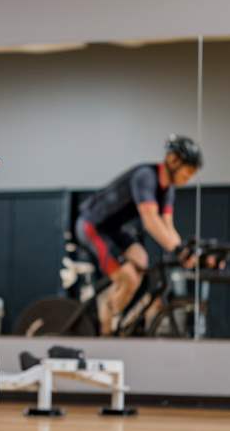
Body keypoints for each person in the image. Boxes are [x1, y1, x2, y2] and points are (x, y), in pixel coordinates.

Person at [74, 135, 203, 335]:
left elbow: (168, 227)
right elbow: (150, 221)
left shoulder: (168, 190)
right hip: (92, 225)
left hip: (113, 230)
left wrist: (183, 252)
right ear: (173, 160)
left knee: (142, 260)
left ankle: (109, 305)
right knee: (129, 278)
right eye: (189, 170)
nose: (190, 177)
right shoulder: (146, 176)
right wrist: (178, 250)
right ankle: (105, 328)